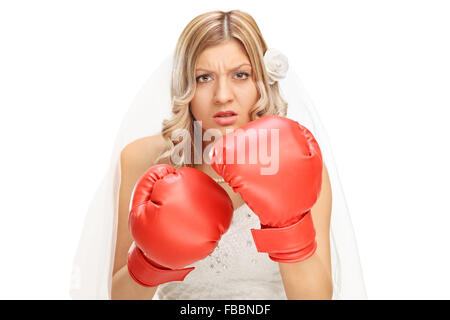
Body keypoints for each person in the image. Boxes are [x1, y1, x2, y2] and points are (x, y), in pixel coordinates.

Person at [70, 9, 367, 300]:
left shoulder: (297, 162)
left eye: (240, 75)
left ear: (261, 82)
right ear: (184, 85)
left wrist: (288, 225)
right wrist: (151, 261)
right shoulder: (142, 159)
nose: (223, 95)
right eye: (203, 78)